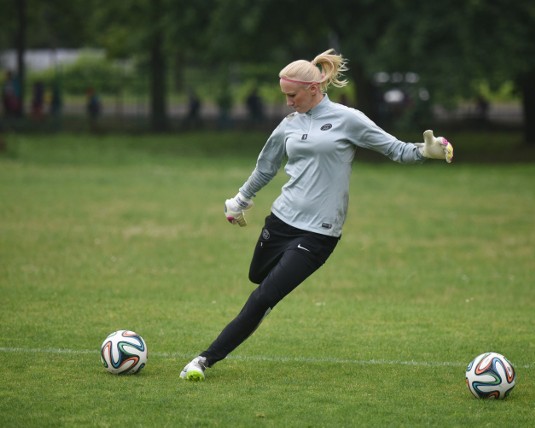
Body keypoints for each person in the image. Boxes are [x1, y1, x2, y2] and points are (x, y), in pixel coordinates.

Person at [180, 49, 453, 381]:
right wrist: (240, 200)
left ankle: (204, 360)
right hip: (280, 221)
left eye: (291, 95)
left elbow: (396, 150)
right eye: (284, 96)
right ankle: (235, 327)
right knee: (257, 276)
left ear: (313, 88)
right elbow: (266, 169)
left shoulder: (348, 119)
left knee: (263, 297)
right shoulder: (288, 126)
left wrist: (425, 151)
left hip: (318, 234)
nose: (288, 102)